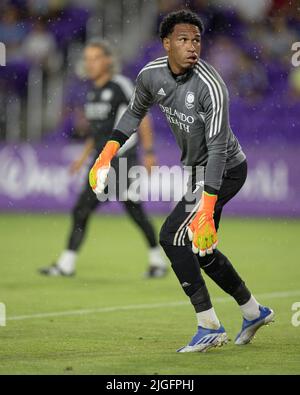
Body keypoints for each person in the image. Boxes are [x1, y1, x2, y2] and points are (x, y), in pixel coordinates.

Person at [88, 10, 275, 352]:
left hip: (225, 170)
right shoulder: (151, 75)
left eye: (197, 40)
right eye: (183, 40)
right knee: (202, 251)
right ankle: (253, 311)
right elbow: (134, 112)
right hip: (198, 171)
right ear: (166, 43)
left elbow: (218, 150)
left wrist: (205, 209)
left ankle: (209, 325)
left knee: (173, 237)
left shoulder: (212, 87)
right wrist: (105, 154)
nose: (192, 47)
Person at [39, 39, 167, 278]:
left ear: (108, 60)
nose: (89, 63)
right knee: (116, 209)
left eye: (95, 58)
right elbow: (98, 131)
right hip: (101, 160)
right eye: (87, 59)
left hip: (121, 159)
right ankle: (156, 261)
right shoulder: (91, 91)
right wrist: (83, 157)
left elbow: (143, 116)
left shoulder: (120, 85)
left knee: (90, 209)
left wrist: (149, 152)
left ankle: (67, 264)